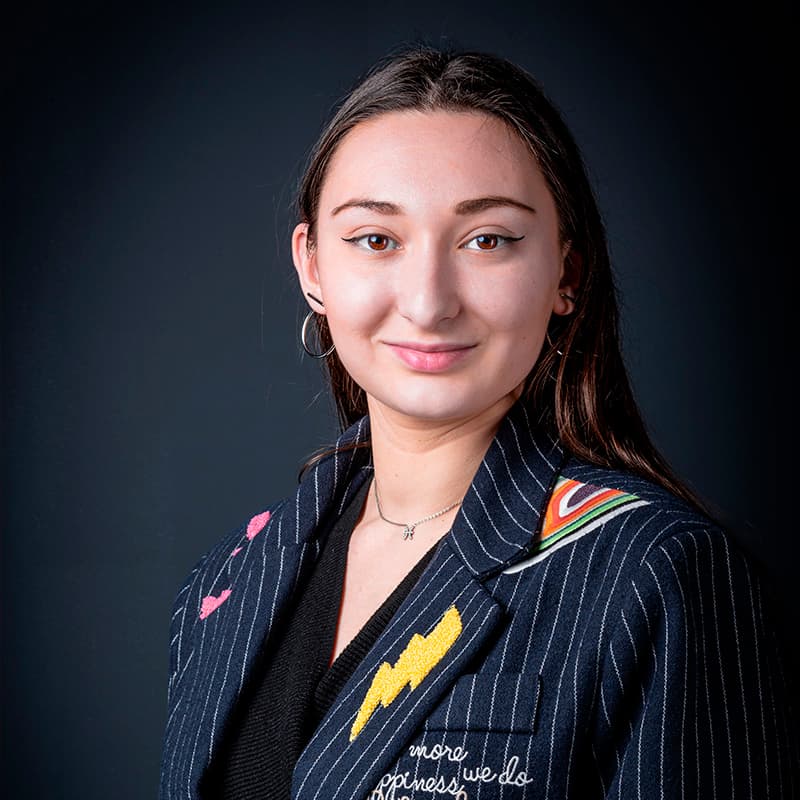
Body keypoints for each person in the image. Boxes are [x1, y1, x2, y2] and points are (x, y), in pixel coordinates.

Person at [158, 44, 799, 800]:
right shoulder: (230, 579)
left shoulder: (652, 572)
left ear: (566, 273)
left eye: (486, 240)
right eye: (376, 240)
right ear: (314, 267)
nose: (429, 302)